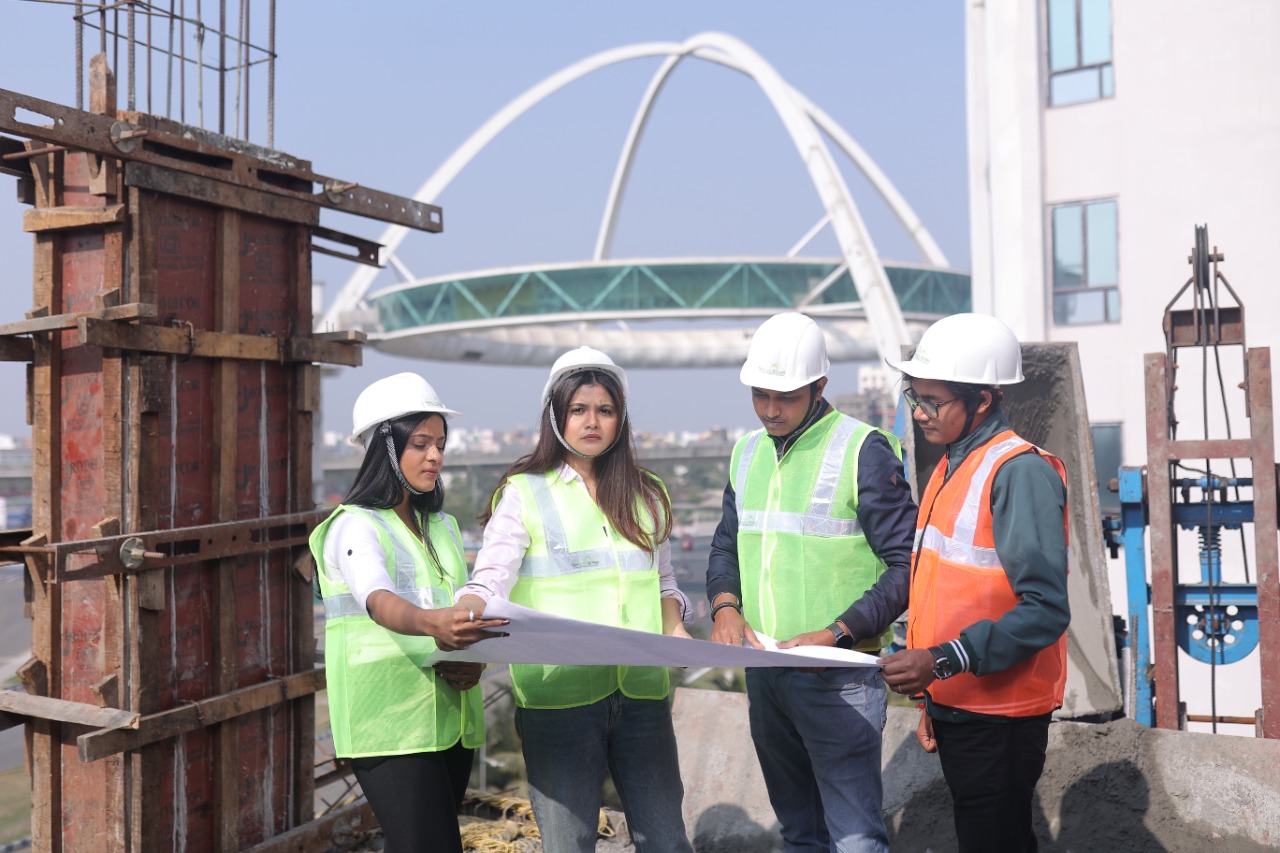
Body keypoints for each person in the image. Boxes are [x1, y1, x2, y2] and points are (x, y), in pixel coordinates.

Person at [456, 346, 694, 853]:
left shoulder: (649, 493)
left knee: (668, 841)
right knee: (569, 844)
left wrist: (676, 630)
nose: (592, 422)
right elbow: (490, 578)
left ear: (621, 419)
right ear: (556, 417)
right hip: (558, 700)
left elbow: (664, 582)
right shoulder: (523, 493)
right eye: (578, 410)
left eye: (605, 410)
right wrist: (463, 613)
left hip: (641, 694)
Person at [707, 312, 917, 853]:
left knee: (854, 839)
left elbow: (907, 567)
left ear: (820, 387)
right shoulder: (747, 452)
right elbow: (727, 543)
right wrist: (725, 605)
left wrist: (835, 633)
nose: (771, 409)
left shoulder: (863, 450)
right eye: (760, 394)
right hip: (767, 673)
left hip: (837, 677)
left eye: (786, 396)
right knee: (800, 833)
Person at [881, 313, 1070, 853]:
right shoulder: (951, 465)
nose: (918, 412)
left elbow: (1045, 610)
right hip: (961, 702)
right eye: (913, 397)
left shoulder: (1018, 472)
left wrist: (941, 658)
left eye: (931, 401)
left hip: (999, 716)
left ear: (982, 400)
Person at [309, 373, 509, 853]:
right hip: (389, 726)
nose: (435, 456)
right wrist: (433, 625)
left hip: (449, 721)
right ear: (385, 445)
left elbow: (459, 610)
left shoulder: (441, 526)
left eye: (440, 443)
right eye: (420, 443)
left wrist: (471, 656)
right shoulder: (353, 527)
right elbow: (376, 597)